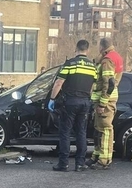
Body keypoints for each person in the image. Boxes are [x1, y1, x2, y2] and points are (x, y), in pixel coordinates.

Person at [48, 39, 96, 172]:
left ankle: (63, 163)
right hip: (85, 102)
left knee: (65, 132)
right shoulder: (92, 67)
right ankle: (80, 163)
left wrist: (52, 99)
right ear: (87, 50)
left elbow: (59, 83)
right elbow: (93, 86)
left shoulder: (70, 64)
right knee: (81, 132)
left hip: (70, 102)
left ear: (76, 48)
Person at [88, 38, 123, 169]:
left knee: (105, 129)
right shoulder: (115, 57)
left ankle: (104, 160)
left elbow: (108, 83)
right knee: (98, 128)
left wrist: (102, 104)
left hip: (106, 101)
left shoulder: (108, 60)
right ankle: (97, 155)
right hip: (106, 99)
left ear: (101, 46)